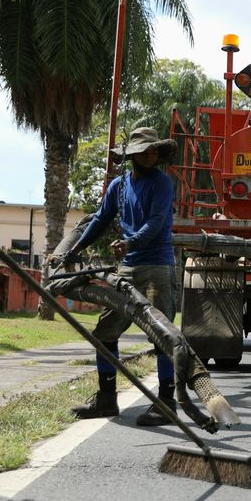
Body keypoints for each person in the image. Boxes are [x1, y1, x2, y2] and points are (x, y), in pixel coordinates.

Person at [63, 127, 180, 427]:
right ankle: (106, 399)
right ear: (133, 156)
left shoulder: (162, 183)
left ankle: (166, 403)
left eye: (154, 150)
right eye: (146, 150)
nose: (151, 154)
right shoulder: (119, 185)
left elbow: (156, 223)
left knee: (162, 334)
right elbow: (101, 219)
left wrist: (130, 242)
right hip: (127, 268)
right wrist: (75, 249)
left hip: (156, 266)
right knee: (105, 332)